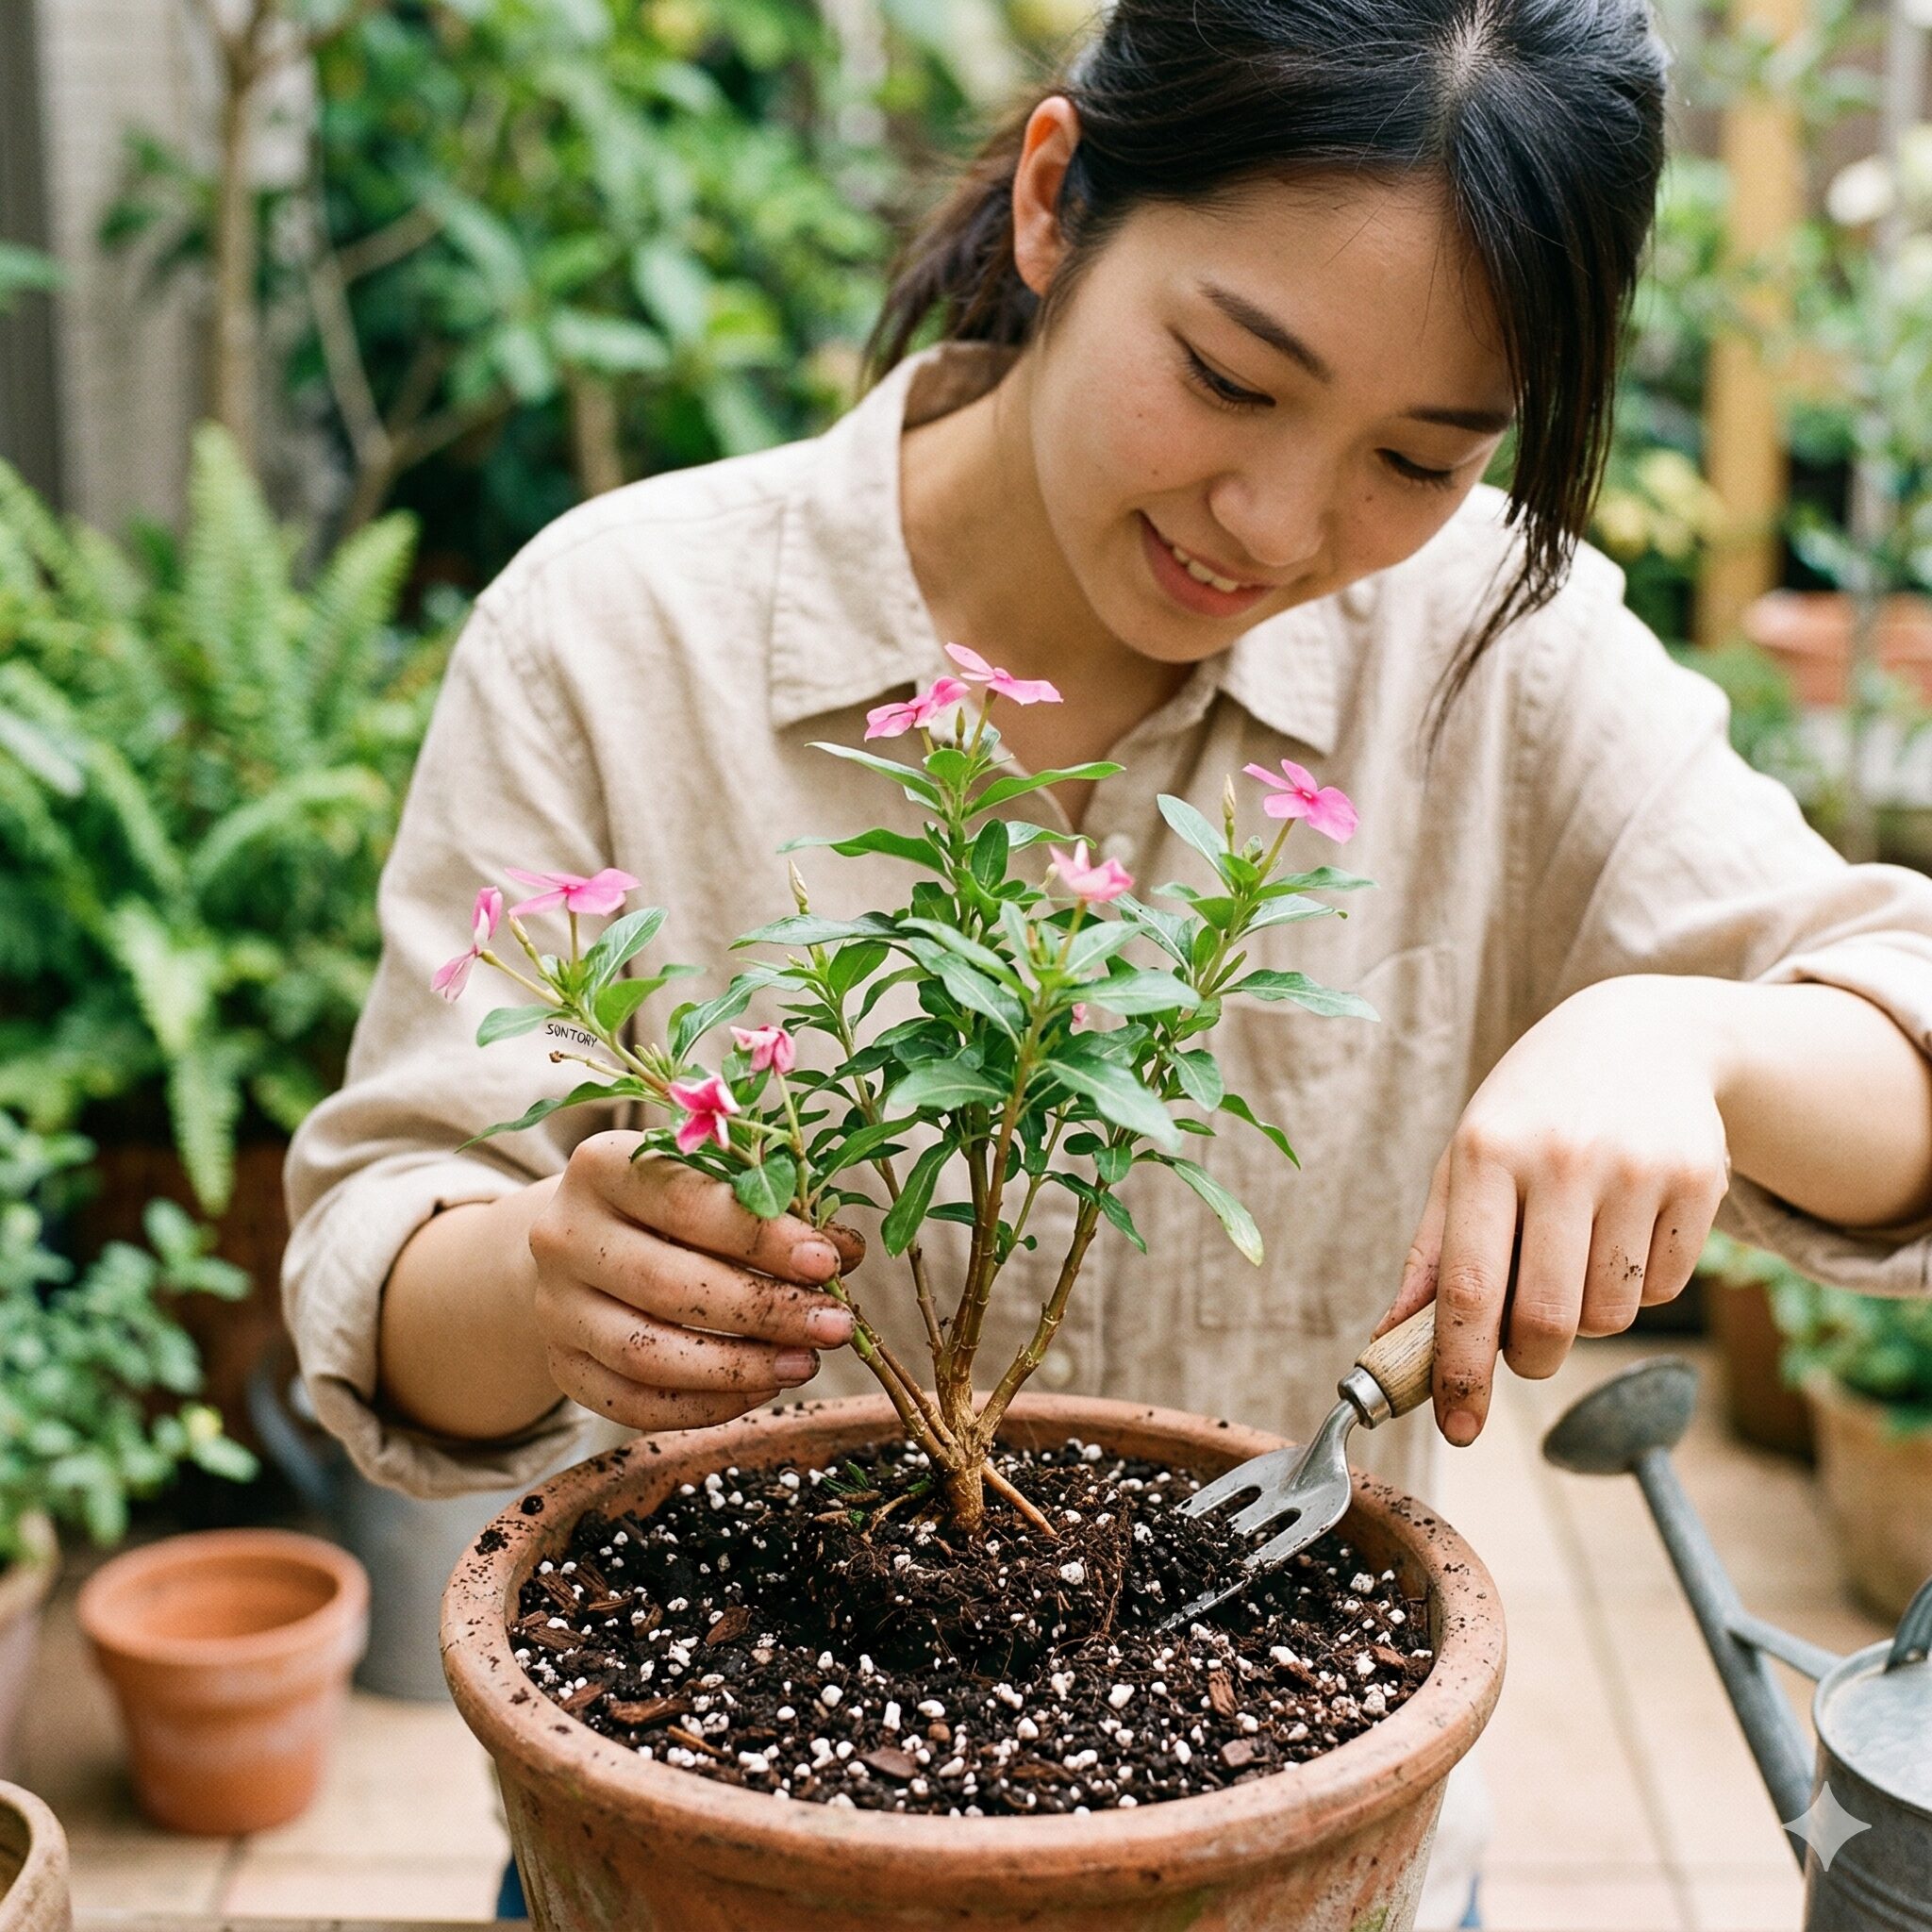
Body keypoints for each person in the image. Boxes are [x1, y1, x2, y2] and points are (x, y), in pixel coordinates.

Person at [284, 1, 1932, 1921]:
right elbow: (378, 1249)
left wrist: (1692, 1040)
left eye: (1418, 455)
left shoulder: (1497, 648)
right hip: (726, 1833)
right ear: (1056, 200)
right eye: (1229, 377)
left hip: (1300, 1856)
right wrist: (540, 1279)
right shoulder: (615, 634)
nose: (1278, 521)